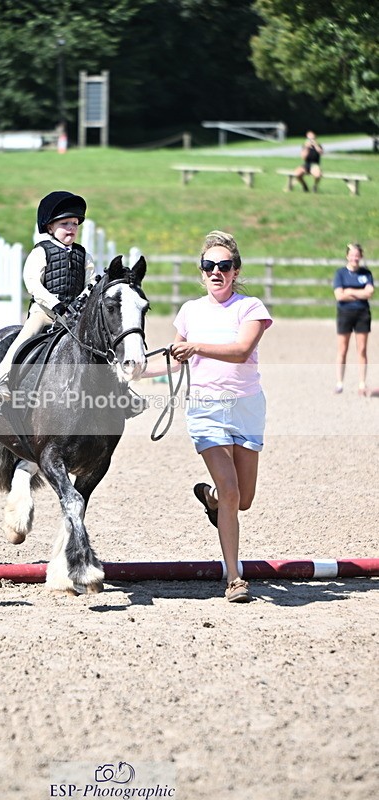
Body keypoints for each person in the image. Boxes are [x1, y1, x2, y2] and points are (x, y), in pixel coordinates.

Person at [144, 231, 273, 603]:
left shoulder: (250, 308)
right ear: (201, 272)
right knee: (233, 491)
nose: (216, 271)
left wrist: (197, 346)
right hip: (205, 411)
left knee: (242, 499)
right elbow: (175, 358)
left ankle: (213, 500)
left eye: (224, 266)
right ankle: (234, 578)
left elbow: (241, 350)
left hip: (247, 409)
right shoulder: (190, 311)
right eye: (209, 266)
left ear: (235, 271)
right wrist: (137, 371)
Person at [0, 190, 99, 398]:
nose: (71, 228)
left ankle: (122, 389)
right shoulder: (41, 251)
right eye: (65, 223)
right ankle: (0, 380)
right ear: (50, 227)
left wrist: (80, 303)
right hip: (44, 312)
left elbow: (91, 283)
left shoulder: (84, 255)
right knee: (26, 337)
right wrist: (55, 304)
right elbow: (33, 283)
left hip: (74, 315)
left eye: (75, 224)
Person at [333, 243, 374, 396]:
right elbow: (339, 295)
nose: (354, 258)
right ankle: (339, 383)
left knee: (362, 349)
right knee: (342, 349)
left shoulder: (366, 273)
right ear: (347, 256)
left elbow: (369, 292)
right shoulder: (340, 274)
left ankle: (362, 383)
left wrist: (349, 291)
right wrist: (359, 292)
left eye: (357, 255)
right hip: (345, 314)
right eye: (352, 255)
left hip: (362, 313)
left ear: (361, 256)